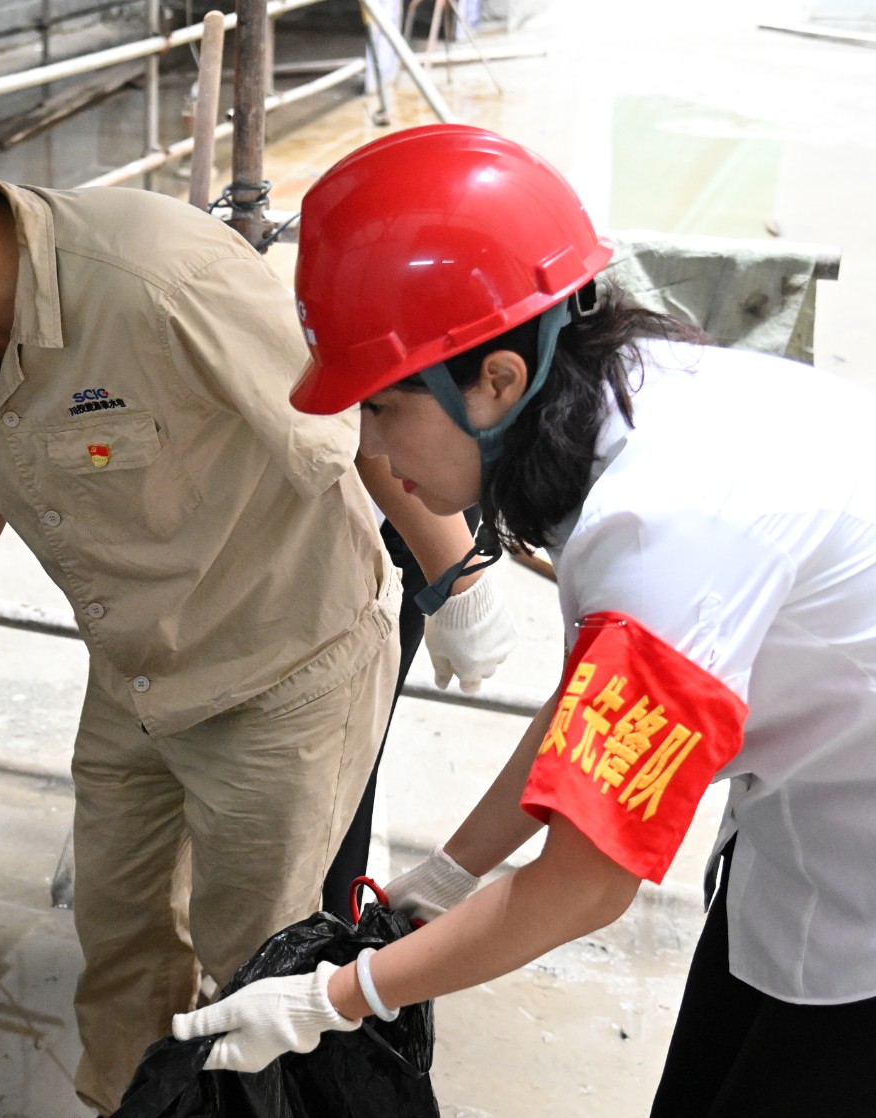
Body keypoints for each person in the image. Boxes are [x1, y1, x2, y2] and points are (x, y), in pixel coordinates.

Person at [0, 64, 511, 1113]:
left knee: (255, 967)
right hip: (135, 672)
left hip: (281, 674)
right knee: (119, 933)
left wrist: (457, 573)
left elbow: (352, 421)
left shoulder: (159, 280)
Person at [172, 122, 876, 1115]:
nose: (374, 450)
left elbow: (583, 884)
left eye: (384, 409)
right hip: (810, 818)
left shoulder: (665, 537)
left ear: (497, 379)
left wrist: (333, 997)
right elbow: (593, 716)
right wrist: (451, 871)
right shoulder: (638, 392)